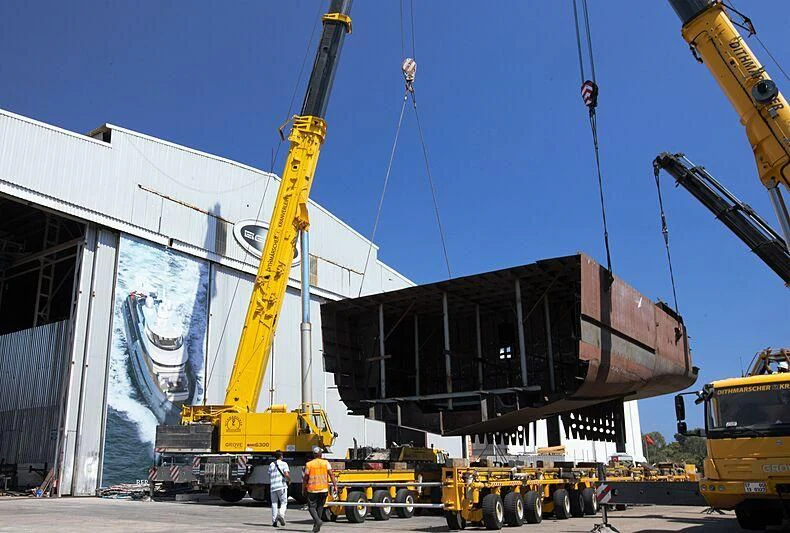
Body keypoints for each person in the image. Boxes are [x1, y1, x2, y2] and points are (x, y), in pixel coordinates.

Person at [302, 446, 338, 533]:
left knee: (311, 507)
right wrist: (335, 486)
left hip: (312, 489)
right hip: (323, 489)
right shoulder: (326, 463)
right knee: (320, 507)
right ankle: (316, 526)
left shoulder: (309, 464)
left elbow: (305, 478)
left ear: (314, 454)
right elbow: (331, 474)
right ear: (320, 454)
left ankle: (317, 521)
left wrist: (303, 488)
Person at [268, 450, 290, 527]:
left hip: (273, 486)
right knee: (284, 502)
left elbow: (269, 474)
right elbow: (286, 474)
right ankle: (281, 515)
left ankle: (274, 521)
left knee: (274, 503)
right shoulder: (284, 464)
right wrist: (289, 480)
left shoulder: (271, 464)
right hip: (281, 486)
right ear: (281, 456)